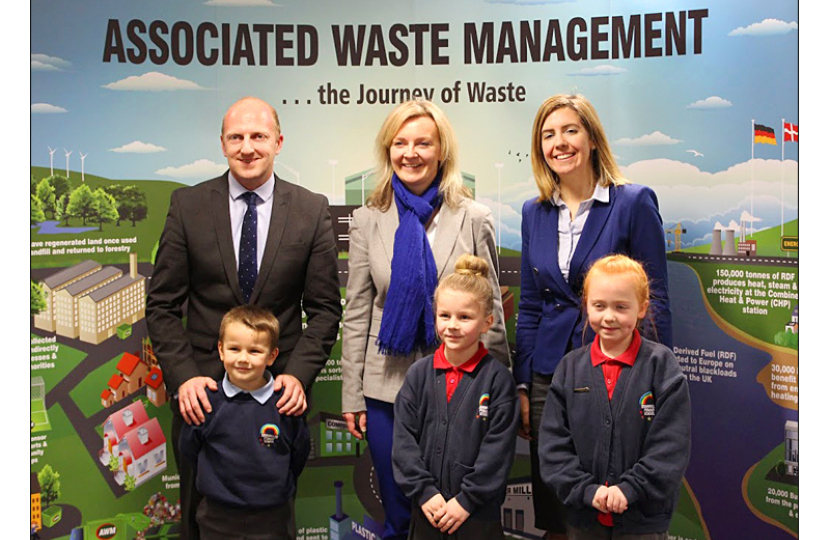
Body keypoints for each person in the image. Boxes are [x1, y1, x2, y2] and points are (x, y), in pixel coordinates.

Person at [146, 96, 342, 540]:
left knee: (273, 516)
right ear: (222, 143)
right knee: (199, 516)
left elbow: (327, 309)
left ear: (278, 142)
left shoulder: (311, 211)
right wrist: (184, 378)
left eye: (258, 136)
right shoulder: (188, 206)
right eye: (236, 136)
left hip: (278, 397)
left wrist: (296, 376)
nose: (247, 147)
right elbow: (161, 305)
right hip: (203, 395)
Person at [341, 99, 510, 540]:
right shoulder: (368, 220)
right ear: (388, 150)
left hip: (463, 385)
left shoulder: (474, 219)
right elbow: (357, 310)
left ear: (442, 152)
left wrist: (501, 387)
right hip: (386, 388)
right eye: (400, 143)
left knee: (457, 511)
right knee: (399, 511)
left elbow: (490, 310)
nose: (410, 153)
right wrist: (353, 395)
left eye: (422, 143)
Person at [515, 94, 673, 539]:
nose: (559, 143)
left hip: (617, 372)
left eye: (570, 130)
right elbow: (530, 306)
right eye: (548, 135)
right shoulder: (534, 212)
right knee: (557, 503)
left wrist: (660, 379)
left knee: (613, 501)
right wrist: (524, 385)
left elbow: (654, 301)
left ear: (592, 138)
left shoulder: (632, 202)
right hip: (549, 376)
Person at [538, 255, 691, 539]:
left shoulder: (662, 367)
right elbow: (553, 447)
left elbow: (670, 447)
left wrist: (630, 489)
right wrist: (586, 490)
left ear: (642, 308)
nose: (609, 316)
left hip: (643, 523)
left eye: (621, 307)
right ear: (586, 305)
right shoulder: (569, 368)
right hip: (583, 522)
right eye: (599, 306)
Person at [392, 254, 519, 540]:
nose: (452, 325)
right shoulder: (418, 375)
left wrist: (466, 501)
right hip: (428, 511)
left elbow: (497, 453)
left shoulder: (498, 380)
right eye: (444, 315)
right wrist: (424, 492)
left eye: (465, 317)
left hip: (477, 516)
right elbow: (403, 442)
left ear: (487, 322)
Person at [180, 305, 310, 540]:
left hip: (273, 519)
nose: (243, 359)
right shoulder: (208, 403)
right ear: (221, 350)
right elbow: (190, 450)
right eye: (234, 349)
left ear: (272, 356)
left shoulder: (285, 405)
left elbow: (298, 453)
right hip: (217, 519)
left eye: (254, 351)